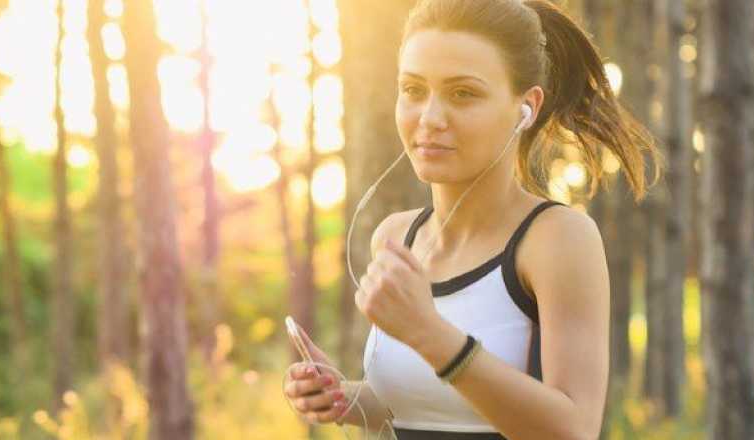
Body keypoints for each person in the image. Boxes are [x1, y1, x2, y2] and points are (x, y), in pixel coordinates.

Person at [283, 0, 661, 438]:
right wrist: (344, 398)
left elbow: (572, 429)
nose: (430, 118)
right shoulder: (395, 237)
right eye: (413, 90)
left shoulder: (556, 239)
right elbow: (429, 406)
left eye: (463, 93)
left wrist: (429, 334)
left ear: (527, 107)